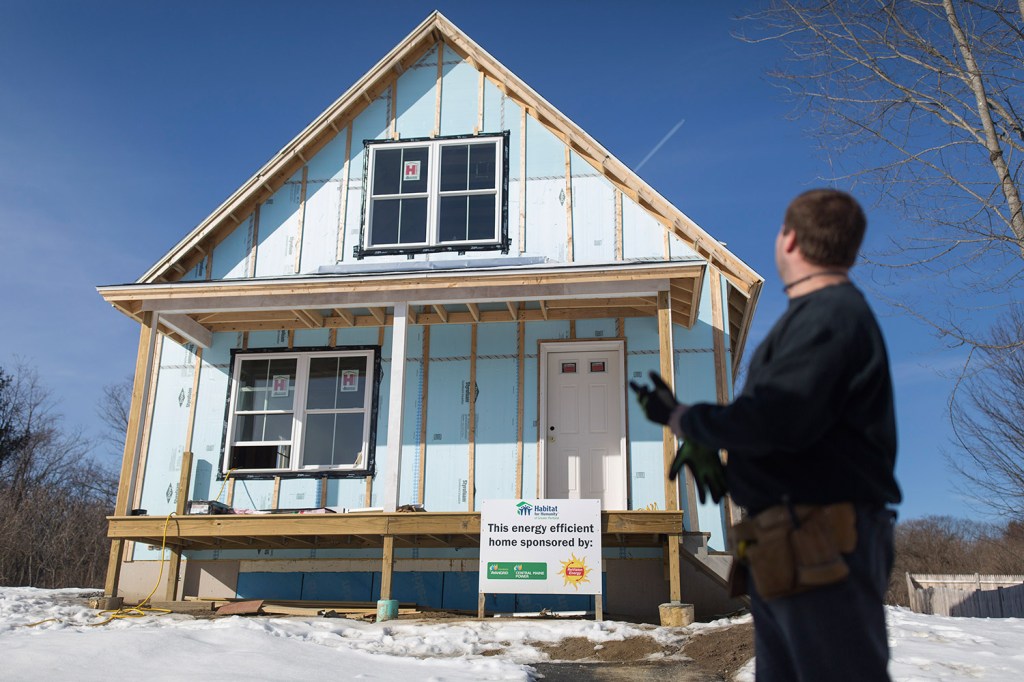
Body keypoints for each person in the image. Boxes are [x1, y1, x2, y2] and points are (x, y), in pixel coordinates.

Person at [632, 189, 901, 681]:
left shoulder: (830, 316)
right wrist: (733, 470)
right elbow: (796, 435)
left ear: (790, 239)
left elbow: (777, 417)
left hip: (822, 545)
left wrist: (686, 418)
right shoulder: (817, 319)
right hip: (786, 544)